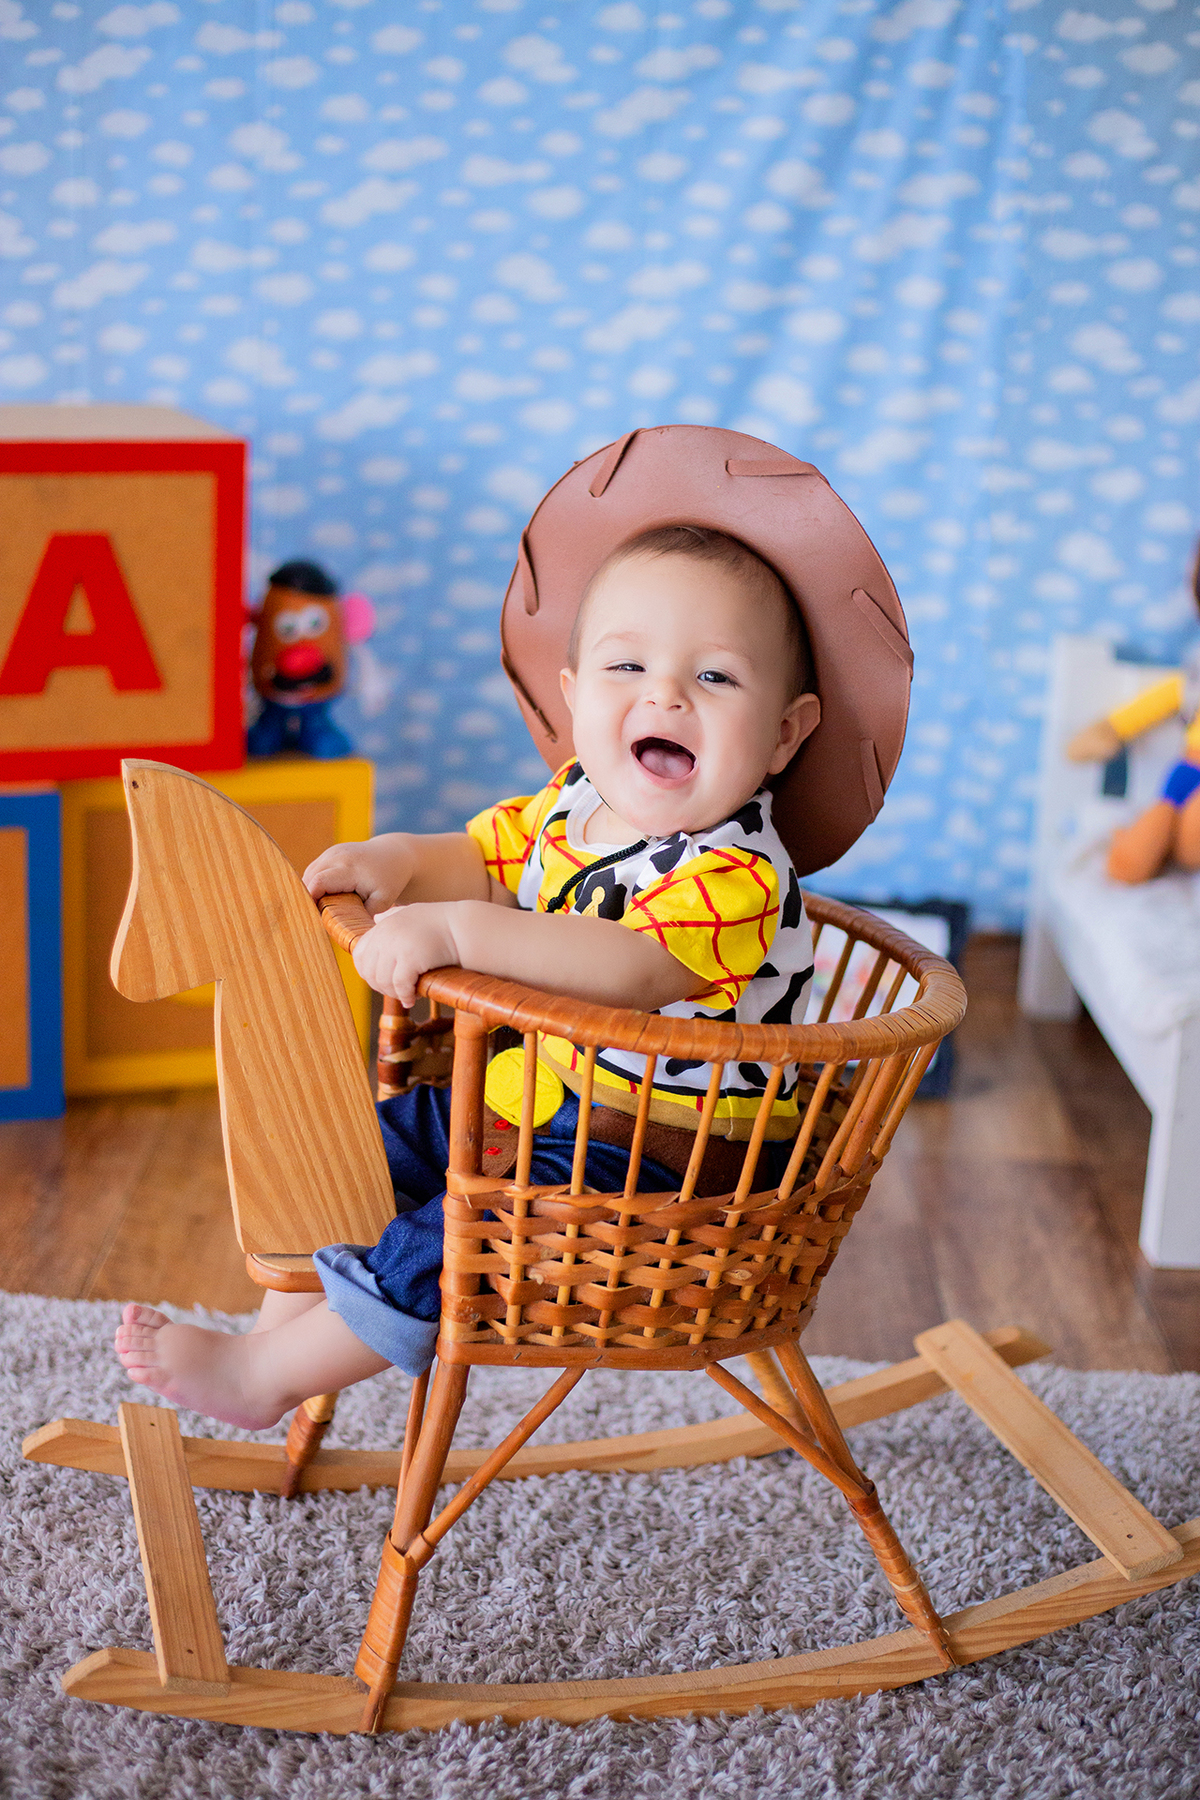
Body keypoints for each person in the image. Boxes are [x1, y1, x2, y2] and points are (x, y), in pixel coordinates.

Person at [114, 525, 823, 1428]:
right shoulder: (575, 805)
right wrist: (399, 860)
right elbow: (485, 858)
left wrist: (458, 929)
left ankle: (268, 1378)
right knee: (355, 1150)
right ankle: (270, 1343)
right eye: (626, 668)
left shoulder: (740, 874)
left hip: (673, 1156)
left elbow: (631, 970)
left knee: (461, 1233)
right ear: (571, 698)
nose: (667, 696)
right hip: (544, 1094)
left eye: (715, 677)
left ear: (783, 734)